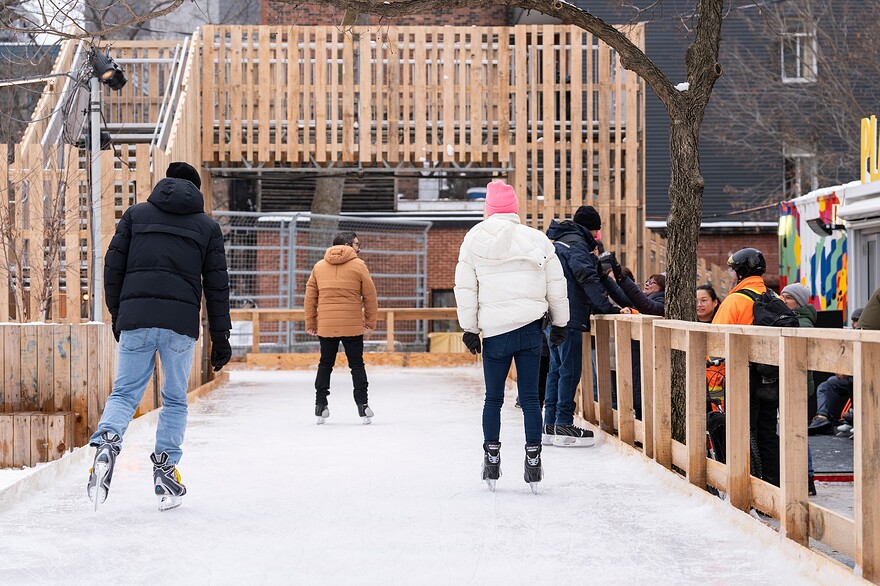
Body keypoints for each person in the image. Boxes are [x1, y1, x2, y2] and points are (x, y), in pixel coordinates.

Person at [87, 162, 232, 512]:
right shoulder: (207, 227)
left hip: (136, 317)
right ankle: (165, 470)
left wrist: (119, 313)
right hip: (179, 325)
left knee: (125, 391)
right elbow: (217, 285)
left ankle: (108, 441)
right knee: (174, 398)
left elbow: (113, 266)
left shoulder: (135, 215)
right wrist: (221, 335)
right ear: (196, 189)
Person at [454, 180, 569, 492]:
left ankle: (492, 457)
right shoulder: (538, 240)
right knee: (531, 398)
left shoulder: (474, 239)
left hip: (495, 334)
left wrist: (470, 328)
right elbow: (556, 284)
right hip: (531, 330)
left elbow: (466, 288)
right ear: (515, 208)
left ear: (488, 209)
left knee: (493, 398)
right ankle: (533, 458)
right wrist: (560, 323)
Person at [544, 205, 620, 447]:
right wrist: (607, 308)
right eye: (597, 232)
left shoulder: (555, 242)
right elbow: (586, 277)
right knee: (570, 369)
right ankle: (564, 423)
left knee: (556, 369)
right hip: (569, 315)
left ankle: (550, 424)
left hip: (551, 316)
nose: (597, 238)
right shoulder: (576, 245)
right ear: (591, 229)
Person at [712, 247, 781, 486]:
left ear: (740, 272)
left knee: (743, 431)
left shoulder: (735, 300)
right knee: (768, 433)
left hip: (745, 376)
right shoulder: (775, 298)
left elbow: (715, 341)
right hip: (772, 376)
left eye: (733, 271)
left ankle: (747, 486)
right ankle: (772, 486)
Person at [305, 231, 378, 425]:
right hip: (352, 325)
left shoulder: (319, 267)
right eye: (356, 244)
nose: (359, 247)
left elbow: (310, 298)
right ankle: (363, 406)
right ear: (346, 245)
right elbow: (370, 295)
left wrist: (311, 323)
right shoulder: (359, 265)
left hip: (327, 326)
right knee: (357, 365)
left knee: (325, 365)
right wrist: (370, 321)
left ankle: (320, 405)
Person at [780, 282, 818, 495]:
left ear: (799, 302)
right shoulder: (795, 319)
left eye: (788, 298)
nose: (783, 301)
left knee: (797, 433)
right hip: (795, 384)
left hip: (798, 385)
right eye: (782, 296)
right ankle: (805, 478)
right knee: (793, 431)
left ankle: (807, 478)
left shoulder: (801, 323)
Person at [807, 307, 862, 435]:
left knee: (832, 383)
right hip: (850, 376)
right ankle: (822, 417)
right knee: (823, 386)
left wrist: (847, 372)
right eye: (852, 320)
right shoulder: (851, 335)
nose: (853, 323)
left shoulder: (867, 336)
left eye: (857, 320)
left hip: (859, 377)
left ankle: (835, 420)